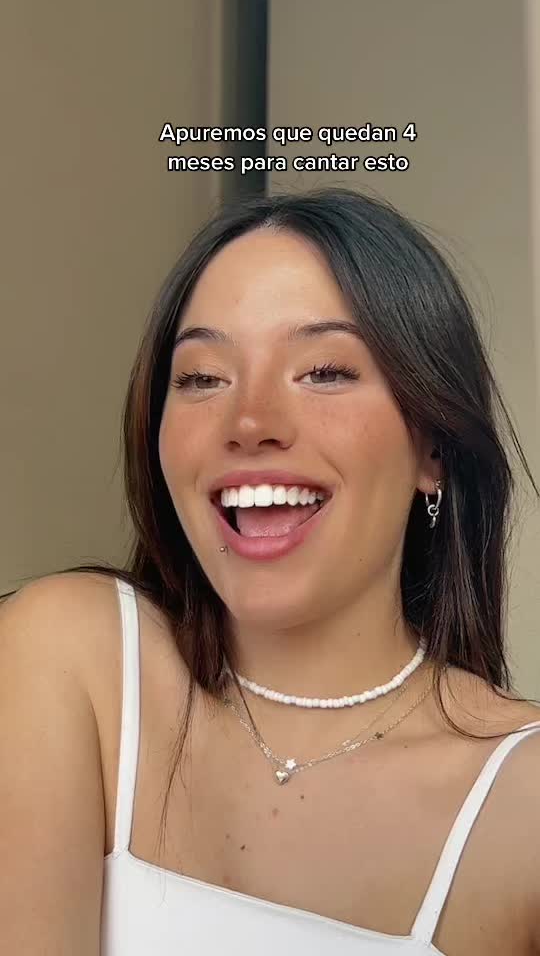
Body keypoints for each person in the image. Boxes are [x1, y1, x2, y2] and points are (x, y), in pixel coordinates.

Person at [1, 187, 539, 956]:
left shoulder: (521, 801)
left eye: (323, 371)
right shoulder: (69, 657)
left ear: (433, 448)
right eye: (202, 378)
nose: (249, 423)